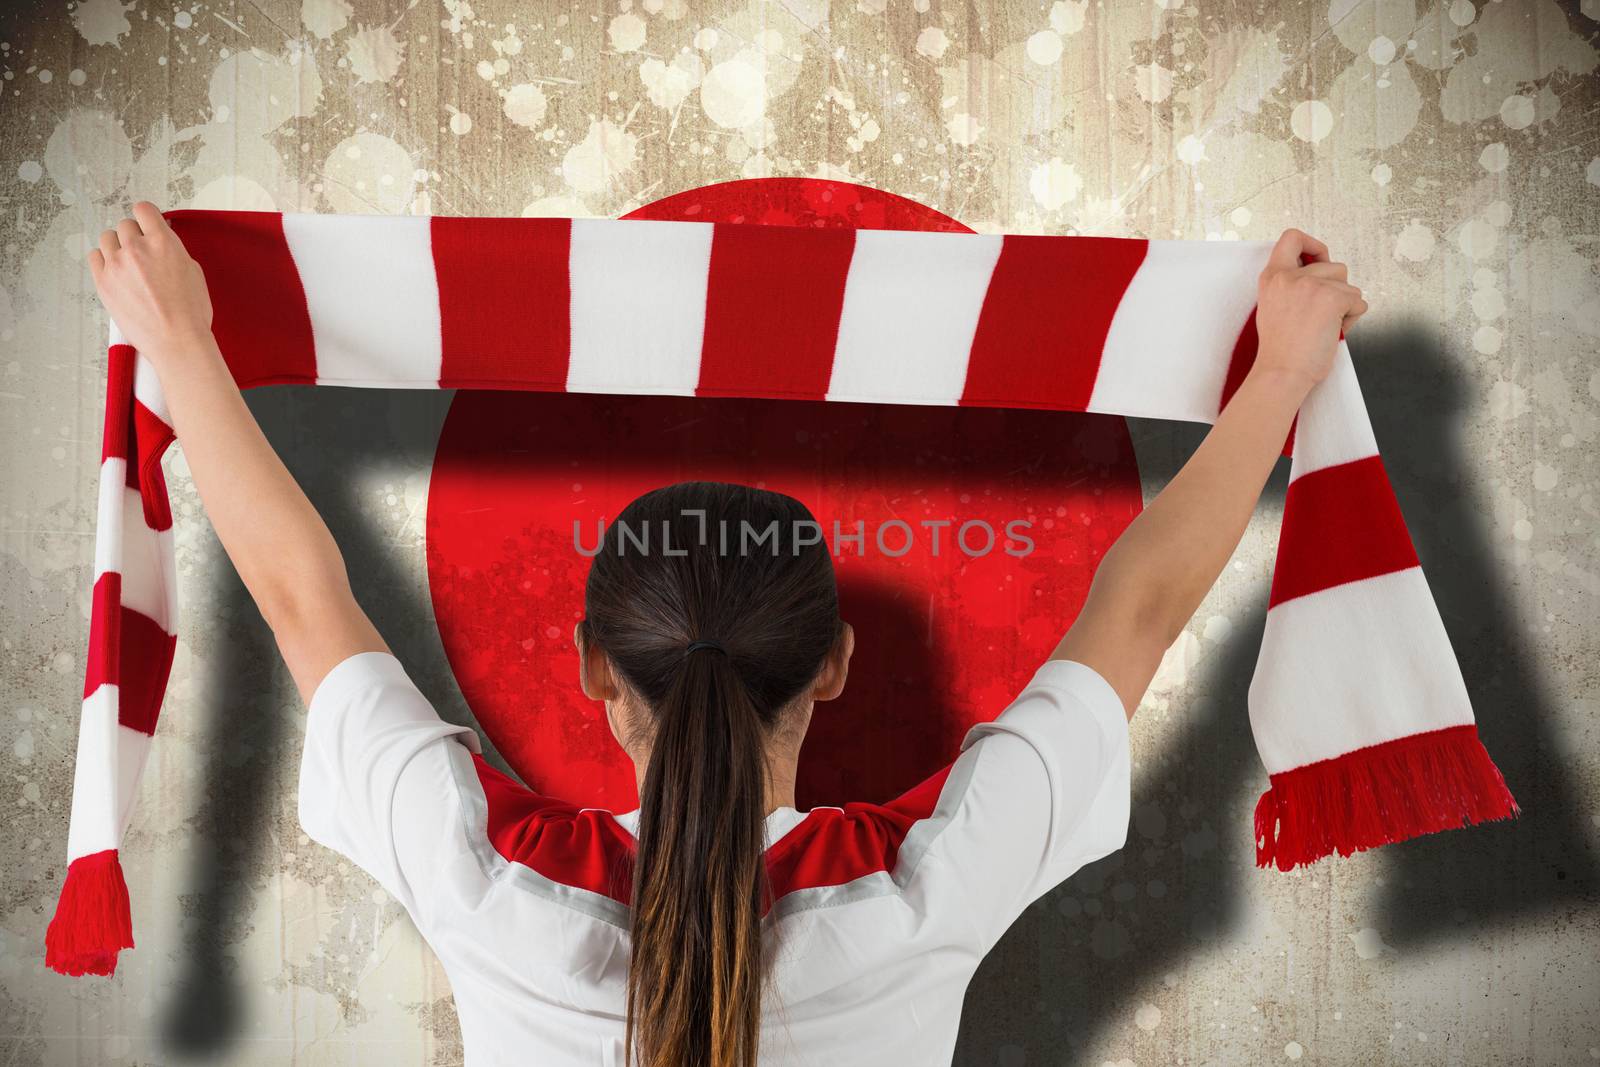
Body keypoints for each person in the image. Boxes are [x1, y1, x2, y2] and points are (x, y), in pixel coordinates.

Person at [86, 202, 1366, 1067]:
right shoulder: (924, 883)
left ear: (594, 669)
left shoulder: (491, 881)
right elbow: (1133, 607)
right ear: (836, 664)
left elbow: (307, 598)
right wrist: (1281, 375)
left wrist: (182, 343)